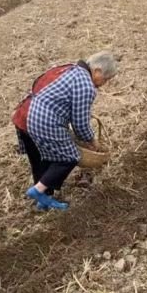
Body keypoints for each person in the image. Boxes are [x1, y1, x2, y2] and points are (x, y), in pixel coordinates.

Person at [12, 51, 118, 211]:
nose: (104, 84)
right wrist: (91, 140)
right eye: (106, 79)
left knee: (41, 158)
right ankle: (38, 191)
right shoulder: (86, 85)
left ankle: (43, 201)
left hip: (23, 114)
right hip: (42, 120)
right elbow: (80, 123)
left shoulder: (68, 68)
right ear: (97, 71)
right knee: (70, 157)